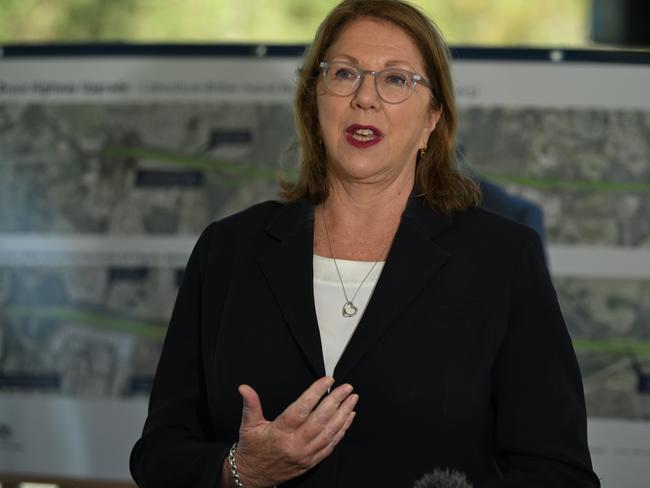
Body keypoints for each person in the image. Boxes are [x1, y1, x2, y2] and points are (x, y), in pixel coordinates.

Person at [130, 1, 601, 487]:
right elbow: (159, 455)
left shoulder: (502, 260)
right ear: (315, 102)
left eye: (396, 79)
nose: (365, 98)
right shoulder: (227, 251)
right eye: (345, 74)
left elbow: (560, 474)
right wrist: (241, 470)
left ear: (432, 119)